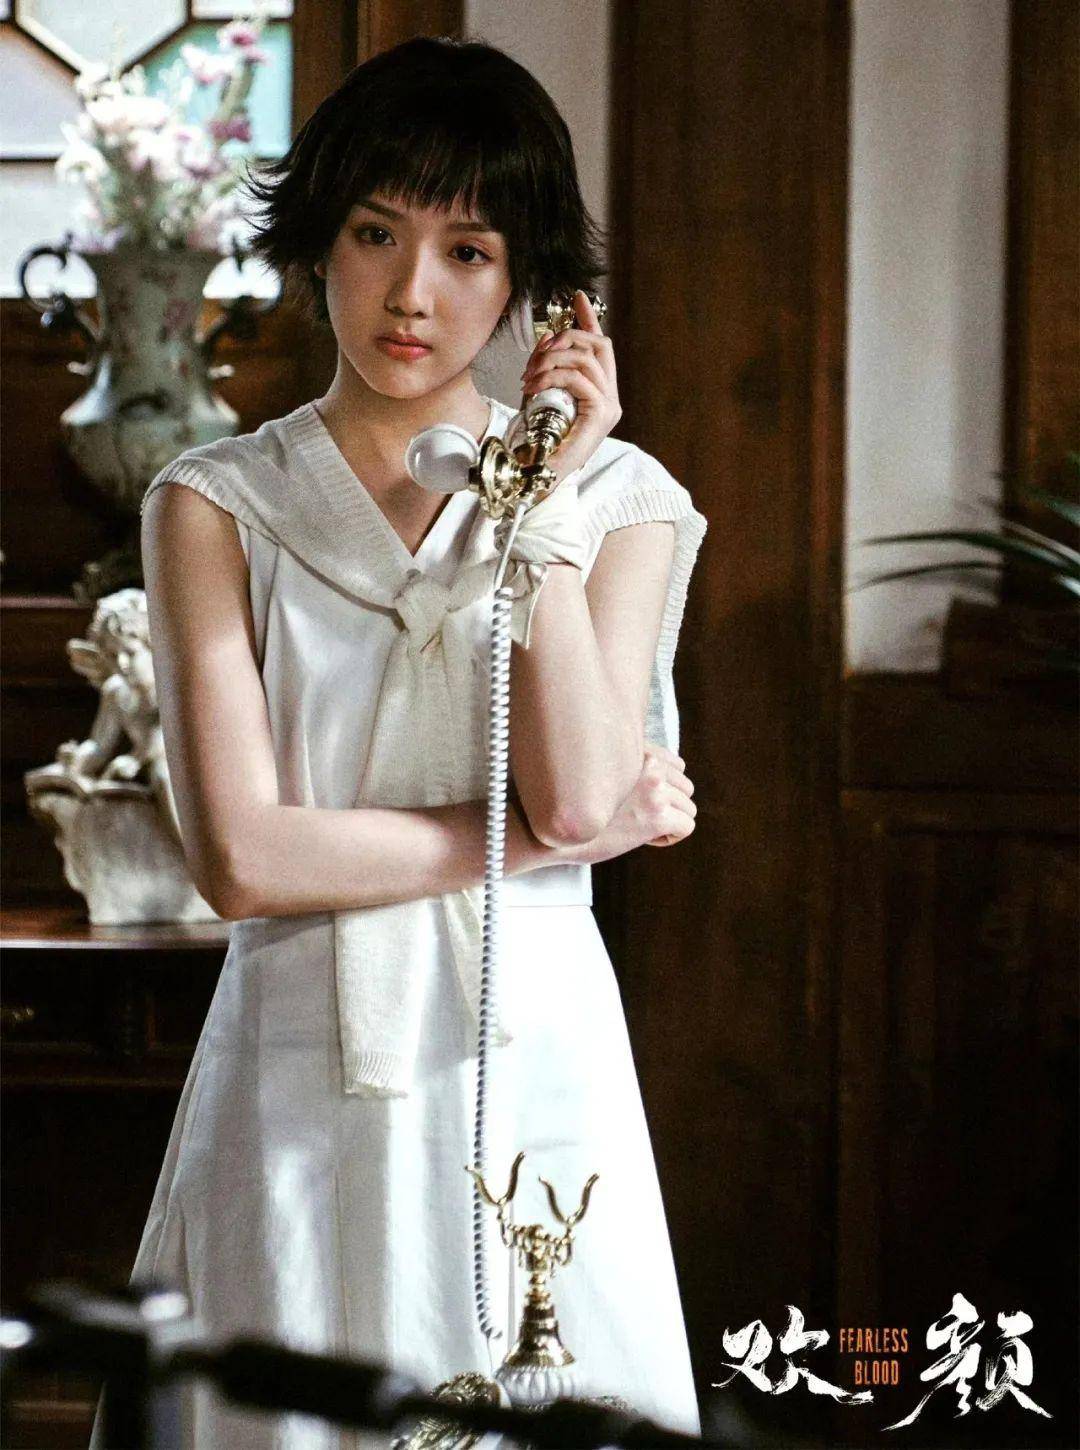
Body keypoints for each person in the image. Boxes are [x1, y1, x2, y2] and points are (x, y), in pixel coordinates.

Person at [91, 35, 707, 1448]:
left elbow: (575, 790)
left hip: (537, 1062)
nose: (413, 291)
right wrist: (529, 845)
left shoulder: (619, 498)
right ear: (320, 239)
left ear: (534, 285)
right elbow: (245, 861)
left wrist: (538, 503)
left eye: (468, 250)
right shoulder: (215, 503)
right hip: (300, 1064)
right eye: (376, 233)